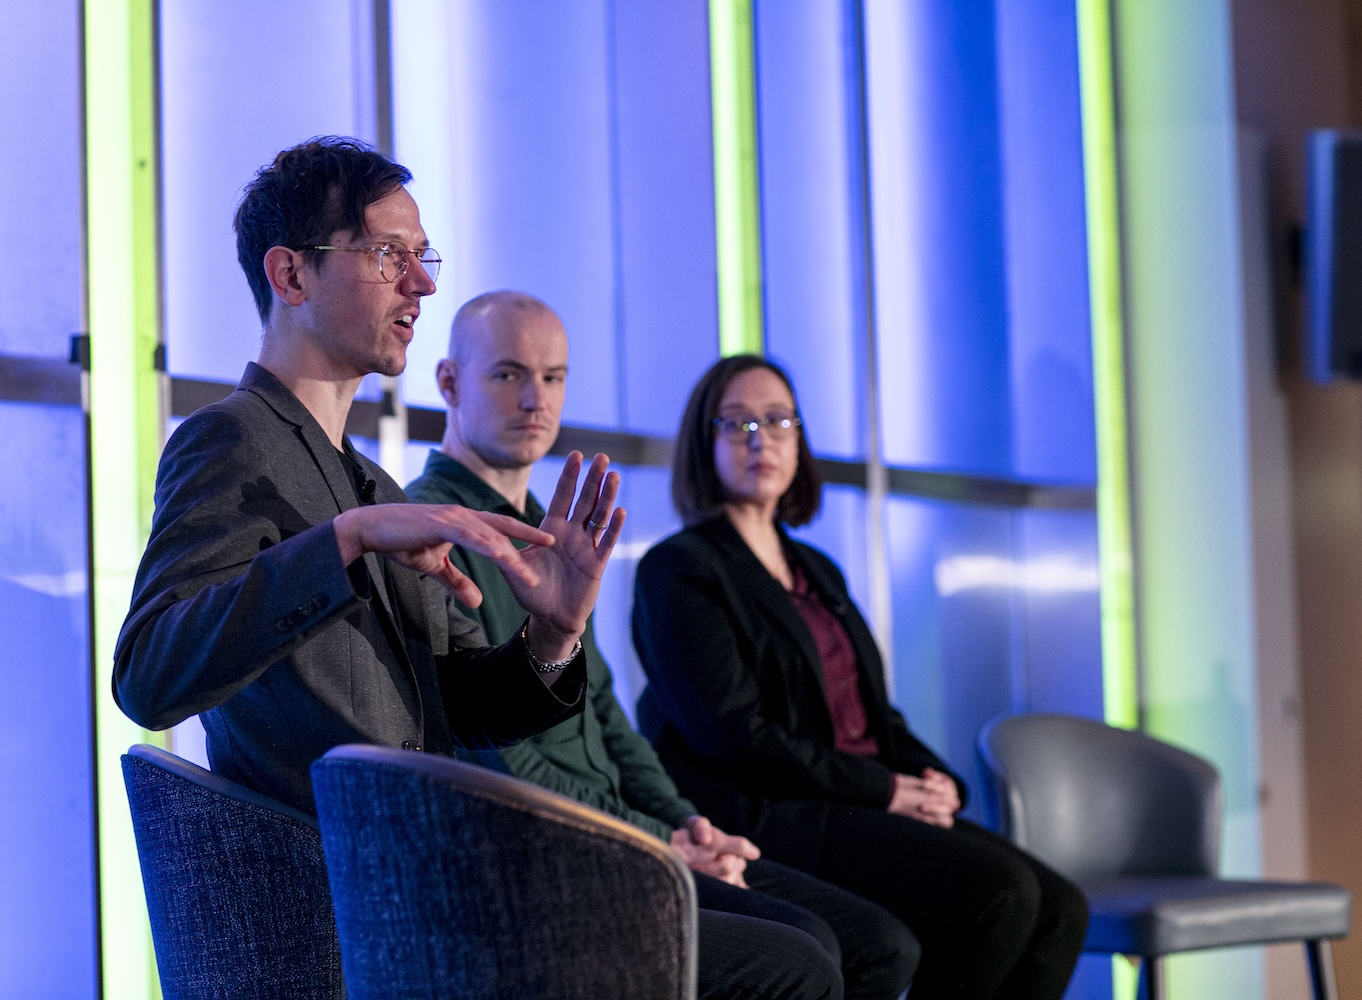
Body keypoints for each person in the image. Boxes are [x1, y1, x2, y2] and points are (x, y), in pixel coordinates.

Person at [406, 291, 919, 1000]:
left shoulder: (548, 528)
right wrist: (659, 839)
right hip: (555, 852)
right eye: (507, 374)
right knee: (814, 953)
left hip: (636, 829)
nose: (535, 398)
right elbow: (499, 757)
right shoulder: (436, 533)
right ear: (450, 384)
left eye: (553, 377)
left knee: (875, 943)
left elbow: (609, 717)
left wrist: (685, 824)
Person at [112, 137, 618, 817]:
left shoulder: (378, 487)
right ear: (292, 277)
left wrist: (553, 635)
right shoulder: (233, 438)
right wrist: (343, 542)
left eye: (422, 255)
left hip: (416, 864)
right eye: (388, 255)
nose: (424, 284)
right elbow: (150, 677)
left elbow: (464, 709)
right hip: (326, 880)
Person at [632, 354, 1091, 1000]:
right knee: (1001, 897)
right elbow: (733, 734)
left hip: (861, 797)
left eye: (778, 420)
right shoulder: (679, 569)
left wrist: (934, 781)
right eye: (736, 424)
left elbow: (871, 712)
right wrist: (884, 789)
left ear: (800, 441)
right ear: (704, 444)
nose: (760, 438)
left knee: (1063, 909)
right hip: (783, 809)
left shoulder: (816, 570)